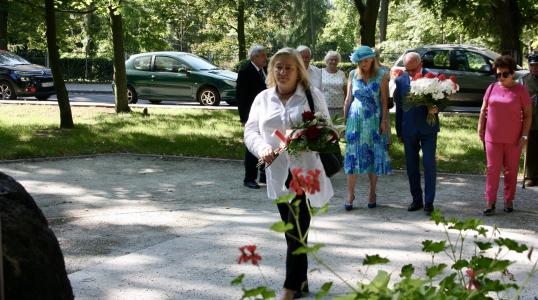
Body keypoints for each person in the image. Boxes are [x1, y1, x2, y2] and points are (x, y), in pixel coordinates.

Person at [244, 47, 333, 300]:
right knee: (294, 227)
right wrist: (261, 148)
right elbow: (250, 131)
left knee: (296, 227)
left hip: (305, 172)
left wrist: (306, 137)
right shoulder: (263, 98)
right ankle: (301, 280)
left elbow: (326, 130)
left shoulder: (312, 96)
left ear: (298, 72)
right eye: (278, 67)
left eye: (288, 68)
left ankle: (290, 286)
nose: (282, 72)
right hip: (278, 173)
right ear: (272, 70)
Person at [478, 55, 532, 215]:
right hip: (492, 137)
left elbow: (528, 115)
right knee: (492, 170)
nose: (501, 77)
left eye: (505, 74)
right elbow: (483, 110)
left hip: (514, 138)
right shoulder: (492, 88)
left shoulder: (521, 90)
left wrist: (524, 136)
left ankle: (509, 200)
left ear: (513, 73)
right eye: (498, 74)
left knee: (511, 170)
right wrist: (480, 128)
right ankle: (490, 202)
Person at [342, 45, 391, 210]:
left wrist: (384, 122)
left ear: (372, 60)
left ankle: (372, 192)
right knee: (352, 156)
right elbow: (348, 99)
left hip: (374, 121)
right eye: (361, 61)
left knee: (373, 155)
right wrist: (344, 123)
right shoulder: (352, 74)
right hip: (355, 120)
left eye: (367, 60)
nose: (364, 64)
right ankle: (350, 194)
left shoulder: (382, 76)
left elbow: (385, 102)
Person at [394, 52, 439, 215]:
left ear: (420, 64)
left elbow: (442, 100)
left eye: (413, 70)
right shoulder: (400, 81)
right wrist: (399, 130)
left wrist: (437, 107)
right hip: (408, 129)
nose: (411, 74)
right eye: (408, 70)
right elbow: (399, 108)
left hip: (428, 128)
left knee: (429, 165)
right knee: (412, 167)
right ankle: (416, 200)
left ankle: (429, 202)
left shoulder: (432, 77)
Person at [237, 44, 267, 189]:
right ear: (255, 57)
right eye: (263, 56)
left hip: (267, 115)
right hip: (252, 116)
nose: (265, 58)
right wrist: (244, 118)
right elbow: (241, 97)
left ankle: (264, 174)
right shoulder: (245, 72)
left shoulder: (265, 70)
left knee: (266, 144)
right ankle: (249, 178)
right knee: (252, 148)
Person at [519, 53, 538, 187]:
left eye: (536, 65)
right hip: (532, 119)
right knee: (531, 149)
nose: (534, 68)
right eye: (532, 65)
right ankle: (531, 176)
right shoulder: (524, 80)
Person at [321, 50, 347, 118]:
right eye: (331, 59)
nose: (334, 61)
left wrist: (345, 106)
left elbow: (346, 92)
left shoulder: (342, 73)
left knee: (338, 128)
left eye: (336, 60)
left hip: (339, 107)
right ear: (326, 60)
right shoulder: (320, 72)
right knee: (325, 127)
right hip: (324, 107)